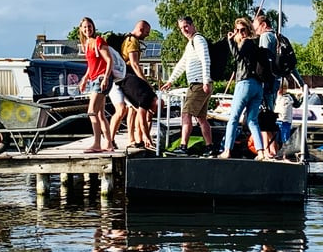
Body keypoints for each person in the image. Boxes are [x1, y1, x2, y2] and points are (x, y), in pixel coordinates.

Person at [159, 16, 216, 157]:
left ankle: (183, 147)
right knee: (201, 118)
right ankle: (210, 147)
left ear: (192, 25)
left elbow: (205, 59)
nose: (184, 30)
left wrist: (206, 81)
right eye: (181, 28)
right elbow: (182, 64)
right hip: (197, 83)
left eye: (186, 26)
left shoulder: (198, 40)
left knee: (186, 114)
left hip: (198, 83)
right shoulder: (190, 44)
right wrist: (171, 80)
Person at [218, 18, 267, 161]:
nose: (240, 33)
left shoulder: (247, 42)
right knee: (252, 120)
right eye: (238, 30)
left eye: (242, 30)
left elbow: (237, 57)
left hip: (245, 84)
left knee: (233, 118)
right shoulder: (256, 44)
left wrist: (230, 41)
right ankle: (261, 152)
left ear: (248, 30)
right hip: (258, 86)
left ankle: (227, 150)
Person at [107, 20, 152, 148]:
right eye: (147, 32)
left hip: (122, 79)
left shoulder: (127, 39)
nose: (147, 36)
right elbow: (134, 64)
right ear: (141, 29)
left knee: (132, 109)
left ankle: (132, 138)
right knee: (127, 109)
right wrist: (144, 82)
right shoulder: (133, 42)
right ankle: (115, 139)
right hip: (125, 79)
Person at [77, 17, 113, 153]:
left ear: (94, 27)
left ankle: (97, 143)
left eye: (89, 26)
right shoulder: (87, 43)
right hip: (93, 79)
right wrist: (85, 79)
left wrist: (106, 78)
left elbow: (109, 60)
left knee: (91, 112)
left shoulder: (99, 41)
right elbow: (91, 66)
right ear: (81, 29)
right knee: (100, 115)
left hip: (100, 79)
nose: (87, 29)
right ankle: (109, 144)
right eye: (85, 27)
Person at [253, 12, 280, 157]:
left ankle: (269, 150)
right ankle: (271, 148)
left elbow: (262, 59)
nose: (255, 31)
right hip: (275, 81)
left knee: (264, 116)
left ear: (263, 25)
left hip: (266, 81)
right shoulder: (277, 37)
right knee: (268, 114)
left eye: (256, 27)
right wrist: (300, 83)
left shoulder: (265, 37)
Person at [274, 81, 294, 146]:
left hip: (286, 121)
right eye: (280, 88)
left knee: (285, 138)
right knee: (275, 138)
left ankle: (284, 154)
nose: (282, 90)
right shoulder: (275, 97)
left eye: (284, 88)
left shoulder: (288, 97)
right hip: (277, 120)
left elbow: (294, 104)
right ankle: (276, 152)